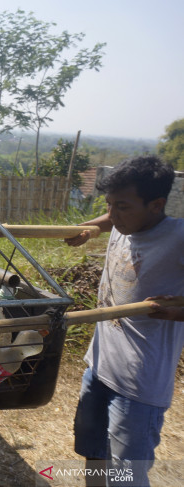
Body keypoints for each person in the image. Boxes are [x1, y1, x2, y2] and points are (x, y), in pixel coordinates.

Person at [65, 155, 184, 486]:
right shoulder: (123, 223)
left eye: (122, 206)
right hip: (99, 367)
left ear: (156, 205)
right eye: (109, 205)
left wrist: (176, 312)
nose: (113, 214)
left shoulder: (177, 237)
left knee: (125, 475)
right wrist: (91, 228)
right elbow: (111, 217)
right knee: (93, 453)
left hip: (139, 384)